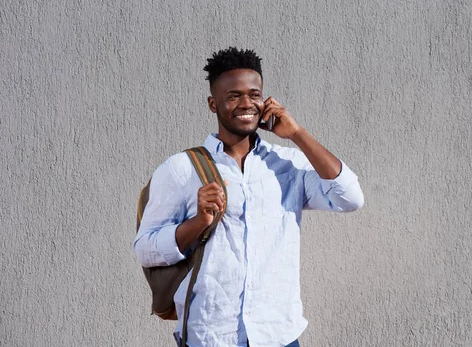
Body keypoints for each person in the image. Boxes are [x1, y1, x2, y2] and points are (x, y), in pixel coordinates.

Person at [134, 47, 364, 347]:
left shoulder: (286, 164)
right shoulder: (181, 168)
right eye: (233, 96)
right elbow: (144, 249)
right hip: (213, 335)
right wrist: (198, 222)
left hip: (277, 334)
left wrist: (297, 133)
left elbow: (349, 197)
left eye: (254, 94)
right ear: (213, 104)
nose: (246, 103)